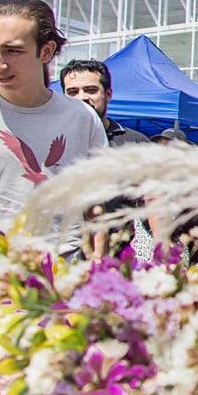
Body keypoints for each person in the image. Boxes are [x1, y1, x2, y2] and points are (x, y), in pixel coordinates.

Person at [0, 0, 106, 241]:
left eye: (13, 51)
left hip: (62, 267)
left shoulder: (81, 117)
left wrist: (96, 259)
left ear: (46, 51)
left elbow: (94, 202)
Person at [60, 59, 150, 259]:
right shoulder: (54, 141)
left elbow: (152, 204)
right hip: (62, 258)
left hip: (118, 257)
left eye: (91, 90)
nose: (82, 98)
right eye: (72, 92)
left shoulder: (134, 143)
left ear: (108, 94)